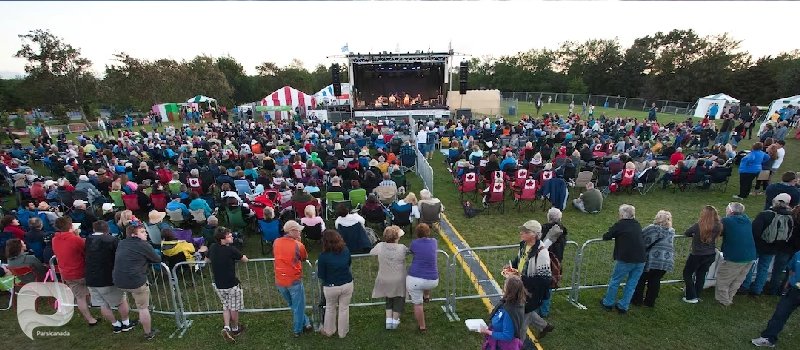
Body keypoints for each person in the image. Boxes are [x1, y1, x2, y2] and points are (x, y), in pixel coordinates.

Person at [507, 220, 555, 347]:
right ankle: (545, 326)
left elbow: (545, 279)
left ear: (534, 234)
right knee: (526, 312)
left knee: (521, 324)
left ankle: (519, 345)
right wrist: (511, 267)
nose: (521, 233)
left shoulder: (542, 253)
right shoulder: (524, 245)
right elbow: (519, 260)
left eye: (525, 231)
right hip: (521, 288)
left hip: (531, 293)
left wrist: (522, 279)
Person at [85, 221, 137, 333]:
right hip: (106, 277)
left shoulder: (88, 240)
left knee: (103, 304)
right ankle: (126, 323)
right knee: (121, 301)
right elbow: (121, 255)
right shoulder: (111, 240)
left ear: (94, 229)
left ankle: (116, 324)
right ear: (108, 229)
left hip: (91, 278)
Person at [113, 225, 162, 340]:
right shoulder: (143, 244)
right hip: (135, 281)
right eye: (142, 232)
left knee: (126, 300)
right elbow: (157, 259)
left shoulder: (122, 243)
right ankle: (148, 333)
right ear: (133, 235)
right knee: (142, 308)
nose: (146, 233)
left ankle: (127, 321)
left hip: (119, 280)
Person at [51, 217, 99, 325]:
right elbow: (86, 252)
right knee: (94, 289)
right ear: (70, 226)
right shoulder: (75, 240)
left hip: (66, 273)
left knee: (79, 297)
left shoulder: (55, 240)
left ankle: (90, 319)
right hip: (81, 272)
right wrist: (77, 236)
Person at [601, 204, 645, 314]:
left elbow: (607, 236)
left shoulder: (621, 224)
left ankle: (608, 303)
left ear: (621, 215)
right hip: (641, 259)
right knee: (631, 284)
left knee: (615, 280)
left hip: (627, 259)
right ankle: (623, 306)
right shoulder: (637, 224)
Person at [750, 248, 800, 347]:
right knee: (780, 314)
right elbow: (792, 269)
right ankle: (768, 338)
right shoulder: (798, 254)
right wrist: (788, 282)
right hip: (794, 290)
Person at [206, 226, 248, 343]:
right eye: (229, 236)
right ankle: (235, 329)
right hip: (231, 284)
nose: (232, 237)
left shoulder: (212, 247)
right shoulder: (231, 250)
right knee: (234, 308)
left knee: (226, 306)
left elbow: (206, 260)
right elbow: (244, 259)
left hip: (218, 284)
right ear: (222, 239)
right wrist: (244, 257)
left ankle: (226, 327)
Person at [274, 220, 313, 337]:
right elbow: (304, 257)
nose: (300, 232)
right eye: (298, 230)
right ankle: (297, 330)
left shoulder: (276, 242)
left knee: (294, 305)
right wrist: (299, 242)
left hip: (280, 280)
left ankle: (306, 322)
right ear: (292, 231)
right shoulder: (298, 245)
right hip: (293, 280)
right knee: (298, 306)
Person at [715, 202, 756, 306]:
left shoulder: (726, 221)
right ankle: (729, 297)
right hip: (750, 255)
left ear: (730, 211)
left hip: (735, 257)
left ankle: (723, 301)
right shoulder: (747, 220)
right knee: (738, 279)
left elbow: (718, 231)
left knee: (723, 279)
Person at [632, 210, 675, 308]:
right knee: (655, 280)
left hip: (651, 260)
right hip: (665, 260)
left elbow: (641, 237)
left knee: (641, 279)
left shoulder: (651, 229)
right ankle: (650, 301)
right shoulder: (671, 231)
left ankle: (637, 300)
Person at [317, 229, 354, 339]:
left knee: (330, 308)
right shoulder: (346, 250)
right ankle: (343, 332)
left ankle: (329, 330)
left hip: (331, 286)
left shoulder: (323, 256)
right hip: (347, 283)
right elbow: (349, 263)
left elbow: (321, 274)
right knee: (344, 308)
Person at [370, 226, 408, 330]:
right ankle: (394, 321)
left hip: (384, 278)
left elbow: (371, 253)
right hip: (398, 280)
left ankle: (388, 321)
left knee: (389, 297)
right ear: (396, 237)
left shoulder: (380, 246)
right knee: (399, 299)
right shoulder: (402, 248)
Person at [682, 206, 722, 304]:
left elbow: (687, 232)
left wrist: (694, 235)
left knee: (687, 273)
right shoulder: (718, 226)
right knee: (701, 275)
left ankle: (691, 296)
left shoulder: (699, 225)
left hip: (698, 255)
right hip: (710, 254)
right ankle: (697, 294)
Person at [479, 275, 528, 350]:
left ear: (509, 289)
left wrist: (487, 332)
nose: (504, 285)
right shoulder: (517, 303)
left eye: (506, 284)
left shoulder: (509, 311)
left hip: (502, 346)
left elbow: (507, 336)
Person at [407, 223, 439, 333]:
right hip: (433, 280)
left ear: (416, 233)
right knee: (426, 279)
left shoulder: (414, 243)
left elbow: (411, 250)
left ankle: (422, 327)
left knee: (418, 304)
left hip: (415, 279)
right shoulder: (434, 241)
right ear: (428, 232)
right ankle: (426, 296)